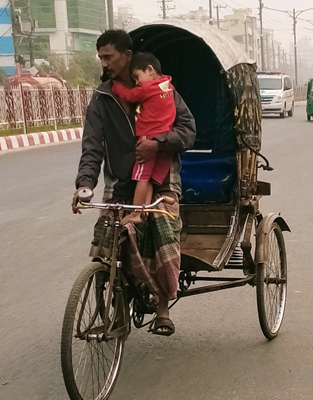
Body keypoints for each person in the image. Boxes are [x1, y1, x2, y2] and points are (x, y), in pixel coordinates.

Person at [72, 30, 196, 336]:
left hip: (162, 180)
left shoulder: (164, 91)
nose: (104, 63)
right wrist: (84, 184)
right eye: (100, 57)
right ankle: (116, 311)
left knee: (159, 231)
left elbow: (188, 130)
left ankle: (163, 307)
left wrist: (159, 144)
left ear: (127, 56)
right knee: (106, 241)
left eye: (109, 57)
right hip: (120, 183)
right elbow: (91, 147)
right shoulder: (103, 98)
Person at [111, 52, 176, 222]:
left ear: (149, 70)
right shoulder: (168, 86)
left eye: (137, 77)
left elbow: (129, 96)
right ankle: (144, 210)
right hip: (165, 138)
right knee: (149, 180)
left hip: (148, 136)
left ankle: (136, 213)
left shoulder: (148, 88)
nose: (137, 83)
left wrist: (116, 86)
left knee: (141, 177)